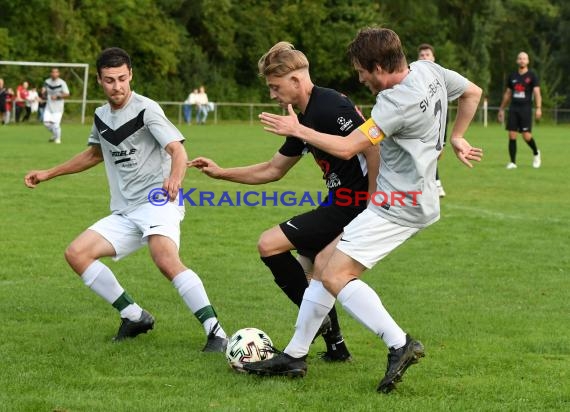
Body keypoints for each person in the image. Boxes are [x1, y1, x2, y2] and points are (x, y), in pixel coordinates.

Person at [243, 28, 483, 393]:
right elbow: (472, 91)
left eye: (361, 71)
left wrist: (299, 130)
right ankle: (295, 355)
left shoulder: (393, 102)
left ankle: (399, 343)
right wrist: (458, 136)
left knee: (335, 274)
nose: (360, 79)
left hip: (397, 203)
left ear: (376, 66)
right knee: (323, 264)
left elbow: (347, 147)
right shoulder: (428, 70)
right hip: (418, 197)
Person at [24, 47, 228, 352]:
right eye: (109, 80)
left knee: (164, 258)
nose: (117, 86)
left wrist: (175, 178)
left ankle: (217, 332)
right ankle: (134, 316)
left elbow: (177, 149)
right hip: (126, 209)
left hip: (158, 200)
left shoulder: (147, 109)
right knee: (77, 254)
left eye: (122, 78)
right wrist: (48, 173)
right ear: (99, 80)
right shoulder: (101, 115)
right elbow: (93, 154)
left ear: (130, 75)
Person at [189, 41, 380, 362]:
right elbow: (273, 169)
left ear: (296, 80)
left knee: (270, 244)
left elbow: (372, 147)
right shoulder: (302, 118)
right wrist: (221, 173)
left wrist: (373, 204)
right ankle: (335, 348)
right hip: (337, 203)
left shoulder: (329, 105)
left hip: (353, 204)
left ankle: (312, 345)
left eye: (275, 87)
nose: (272, 95)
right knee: (309, 276)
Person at [498, 51, 542, 169]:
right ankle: (513, 162)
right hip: (513, 109)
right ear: (517, 61)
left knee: (526, 135)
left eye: (524, 58)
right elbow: (507, 94)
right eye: (520, 58)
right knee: (512, 135)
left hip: (526, 109)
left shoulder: (532, 76)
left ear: (527, 61)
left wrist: (538, 108)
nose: (522, 60)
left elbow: (537, 93)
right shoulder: (512, 76)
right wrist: (501, 109)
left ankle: (536, 153)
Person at [418, 43, 447, 197]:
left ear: (433, 58)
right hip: (418, 127)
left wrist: (444, 140)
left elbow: (444, 110)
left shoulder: (441, 78)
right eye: (421, 55)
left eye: (427, 55)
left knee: (432, 155)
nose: (424, 58)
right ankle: (435, 185)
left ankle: (435, 184)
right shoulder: (413, 79)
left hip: (435, 127)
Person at [43, 68, 70, 144]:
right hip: (49, 106)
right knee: (46, 123)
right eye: (53, 72)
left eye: (56, 72)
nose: (54, 74)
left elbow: (67, 94)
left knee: (55, 124)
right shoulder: (47, 81)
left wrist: (57, 97)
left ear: (58, 74)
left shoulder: (62, 83)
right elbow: (44, 91)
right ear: (51, 73)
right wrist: (43, 92)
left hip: (58, 107)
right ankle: (55, 135)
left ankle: (58, 139)